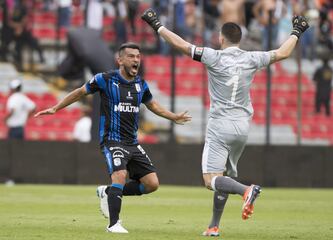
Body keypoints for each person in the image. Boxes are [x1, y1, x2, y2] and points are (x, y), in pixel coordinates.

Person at [141, 8, 308, 236]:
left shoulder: (213, 56)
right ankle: (213, 225)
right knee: (223, 177)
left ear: (221, 38)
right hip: (243, 127)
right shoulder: (252, 58)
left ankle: (247, 190)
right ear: (240, 39)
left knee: (211, 180)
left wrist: (157, 25)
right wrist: (297, 31)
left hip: (220, 125)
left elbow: (181, 45)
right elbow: (283, 53)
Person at [34, 42, 191, 233]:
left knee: (152, 184)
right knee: (120, 175)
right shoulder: (105, 79)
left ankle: (108, 192)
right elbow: (80, 92)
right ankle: (113, 224)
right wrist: (56, 108)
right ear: (120, 60)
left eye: (138, 57)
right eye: (131, 56)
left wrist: (173, 117)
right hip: (112, 140)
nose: (136, 60)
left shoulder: (141, 84)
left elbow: (153, 106)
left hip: (132, 143)